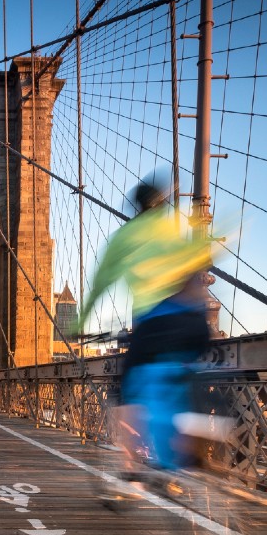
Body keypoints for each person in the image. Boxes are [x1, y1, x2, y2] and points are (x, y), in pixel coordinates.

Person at [77, 178, 214, 472]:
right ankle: (199, 449)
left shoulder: (126, 236)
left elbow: (101, 283)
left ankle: (132, 469)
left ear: (136, 207)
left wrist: (81, 320)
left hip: (154, 324)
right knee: (183, 376)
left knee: (127, 392)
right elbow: (203, 256)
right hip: (196, 322)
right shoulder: (174, 230)